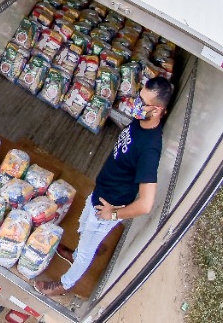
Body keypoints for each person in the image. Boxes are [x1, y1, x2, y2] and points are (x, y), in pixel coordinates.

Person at [35, 77, 173, 299]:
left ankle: (64, 284)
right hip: (101, 193)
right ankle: (77, 253)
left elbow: (146, 204)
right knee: (83, 227)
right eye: (139, 97)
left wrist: (113, 214)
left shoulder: (150, 149)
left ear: (157, 110)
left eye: (143, 102)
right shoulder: (139, 122)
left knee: (88, 248)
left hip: (108, 207)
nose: (137, 104)